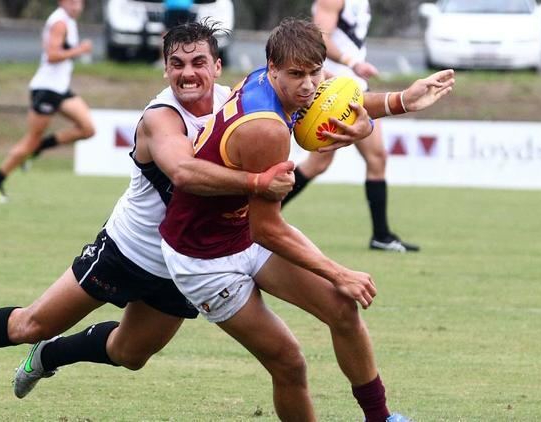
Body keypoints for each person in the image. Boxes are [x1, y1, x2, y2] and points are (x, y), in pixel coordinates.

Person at [0, 22, 298, 413]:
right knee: (31, 324)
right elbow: (184, 174)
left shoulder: (237, 104)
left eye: (198, 62)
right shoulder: (160, 117)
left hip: (186, 267)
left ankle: (49, 357)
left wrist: (354, 120)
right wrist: (258, 182)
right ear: (165, 70)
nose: (188, 73)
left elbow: (315, 91)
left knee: (131, 356)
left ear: (217, 66)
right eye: (177, 63)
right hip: (129, 250)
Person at [159, 18, 453, 421]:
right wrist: (338, 271)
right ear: (273, 67)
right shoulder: (266, 129)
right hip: (205, 257)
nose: (308, 85)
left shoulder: (284, 79)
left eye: (314, 72)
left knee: (342, 310)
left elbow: (337, 101)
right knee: (290, 363)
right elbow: (267, 229)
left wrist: (402, 101)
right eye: (296, 74)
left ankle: (380, 418)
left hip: (242, 232)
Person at [282, 0, 419, 253]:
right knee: (349, 160)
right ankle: (257, 219)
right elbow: (319, 40)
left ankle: (381, 235)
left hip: (351, 85)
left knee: (367, 158)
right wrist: (352, 62)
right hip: (332, 89)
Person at [0, 0, 95, 204]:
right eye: (72, 1)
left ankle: (38, 149)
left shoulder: (68, 21)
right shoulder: (59, 22)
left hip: (60, 89)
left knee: (87, 128)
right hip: (46, 90)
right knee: (30, 140)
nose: (77, 6)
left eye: (80, 2)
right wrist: (80, 50)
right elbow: (51, 55)